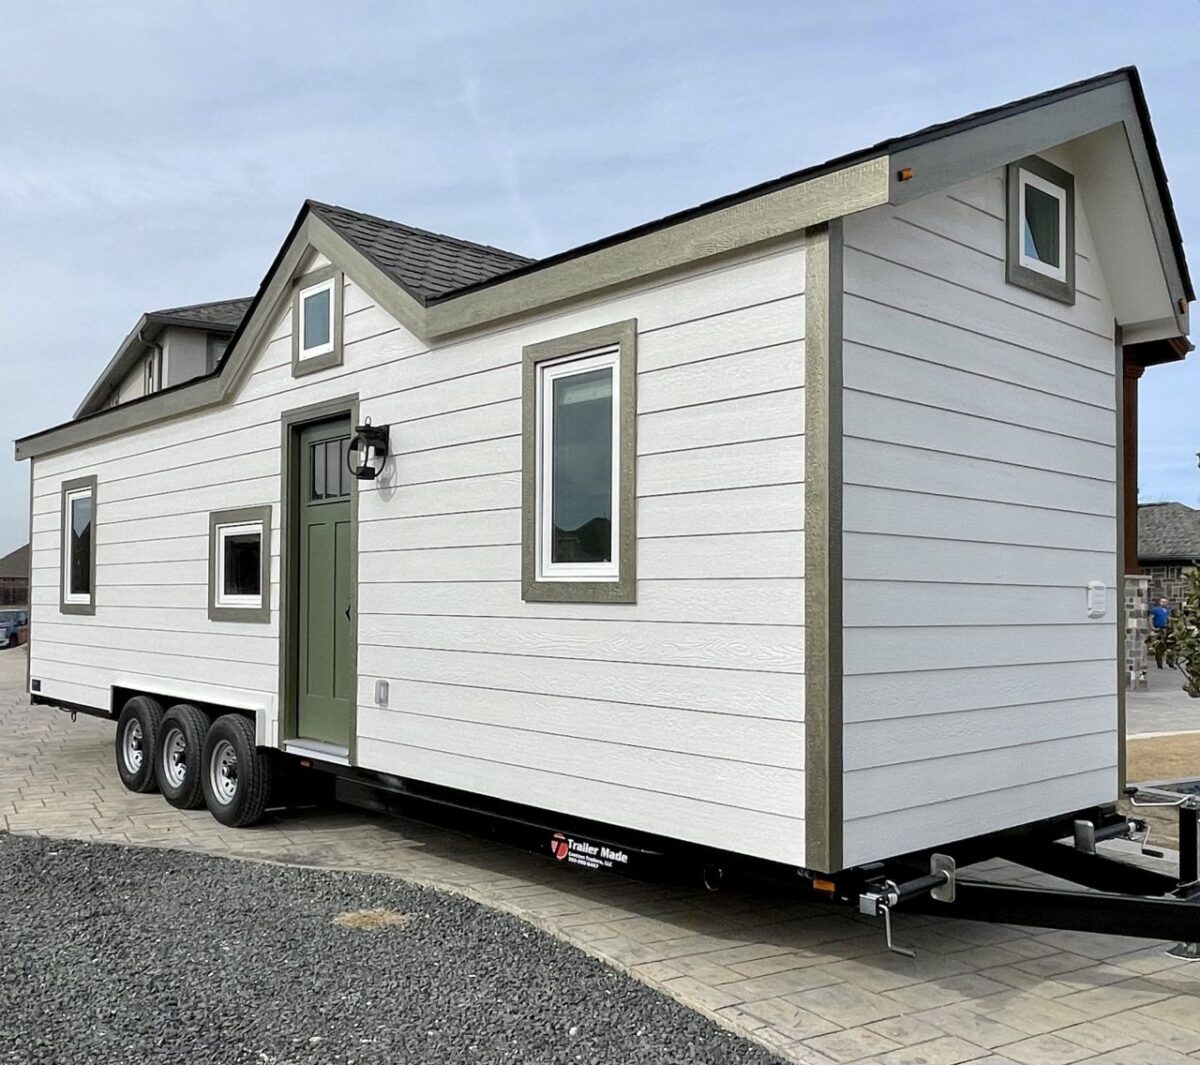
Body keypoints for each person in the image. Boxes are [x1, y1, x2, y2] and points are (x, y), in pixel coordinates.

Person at [1149, 597, 1171, 668]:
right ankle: (1159, 664)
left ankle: (1170, 662)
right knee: (1158, 646)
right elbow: (1150, 618)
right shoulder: (1155, 610)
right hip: (1158, 629)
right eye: (1162, 601)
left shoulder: (1169, 611)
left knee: (1169, 646)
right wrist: (1152, 627)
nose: (1163, 603)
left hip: (1167, 629)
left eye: (1165, 601)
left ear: (1167, 602)